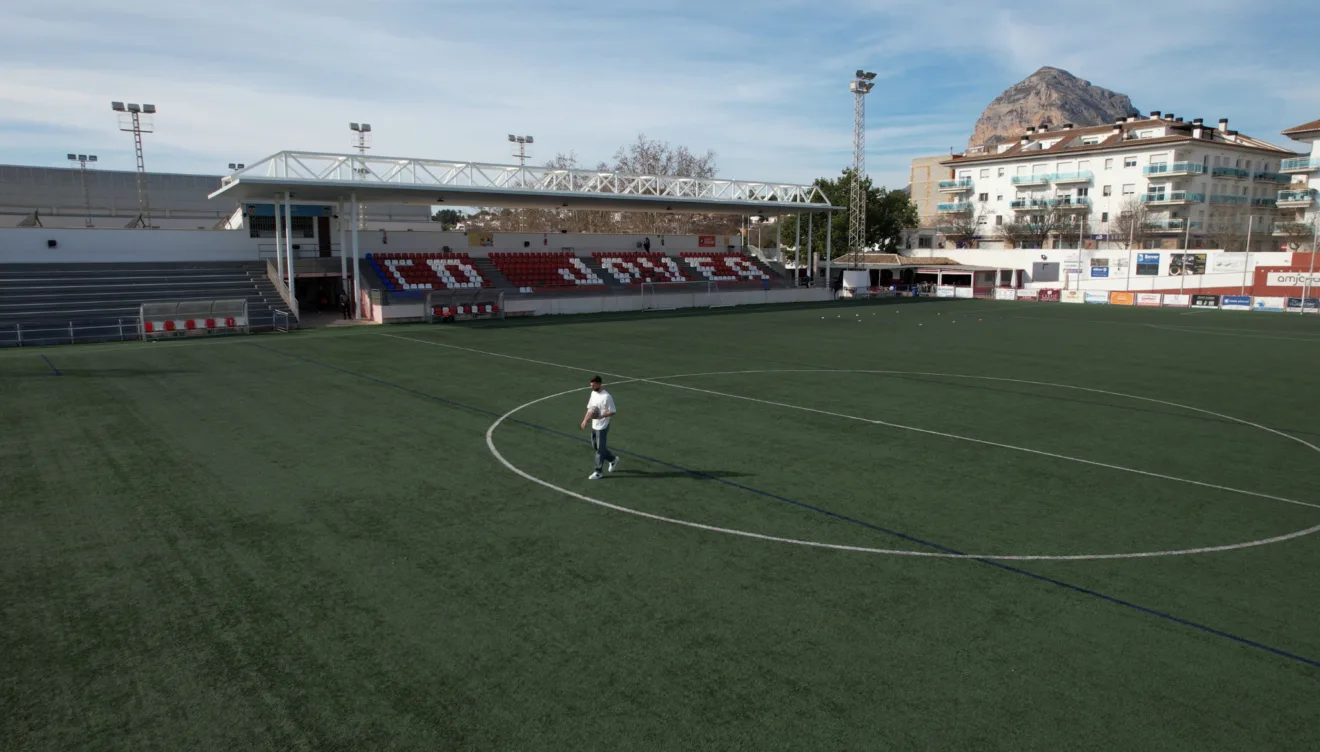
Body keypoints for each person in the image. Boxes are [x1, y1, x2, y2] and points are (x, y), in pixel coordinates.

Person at [580, 375, 617, 480]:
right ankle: (613, 459)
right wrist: (585, 420)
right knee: (596, 447)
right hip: (594, 425)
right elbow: (590, 408)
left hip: (603, 426)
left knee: (600, 450)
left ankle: (598, 472)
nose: (592, 387)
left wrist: (602, 416)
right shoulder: (593, 393)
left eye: (594, 385)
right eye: (591, 385)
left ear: (599, 384)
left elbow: (613, 411)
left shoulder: (607, 396)